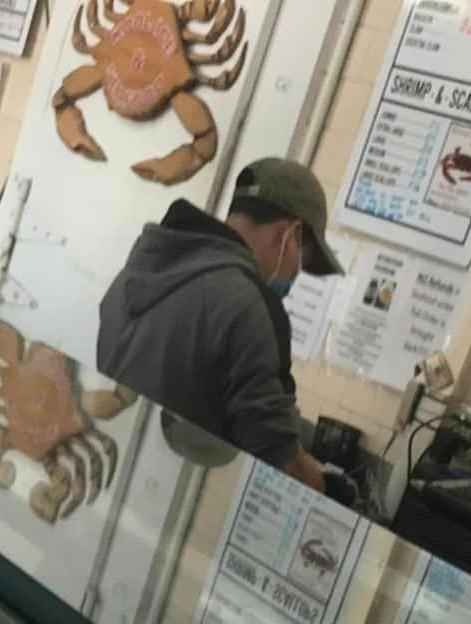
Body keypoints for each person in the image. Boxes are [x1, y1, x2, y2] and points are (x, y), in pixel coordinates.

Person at [97, 157, 341, 492]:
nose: (297, 270)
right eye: (305, 256)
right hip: (171, 488)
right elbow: (278, 458)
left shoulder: (147, 260)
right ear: (291, 233)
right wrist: (329, 488)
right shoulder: (253, 306)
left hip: (108, 465)